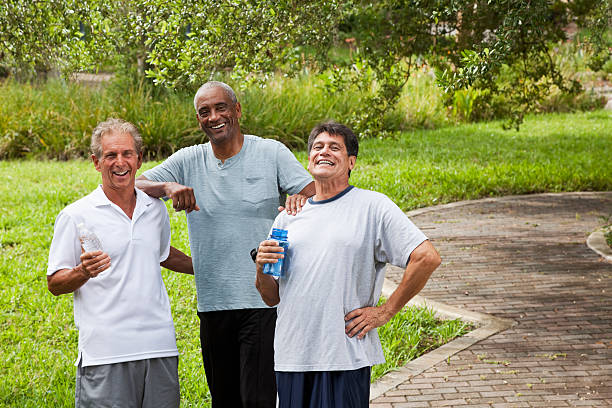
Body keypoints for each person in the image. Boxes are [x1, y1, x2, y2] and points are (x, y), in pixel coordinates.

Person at [135, 81, 315, 407]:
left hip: (263, 302)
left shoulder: (270, 152)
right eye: (204, 112)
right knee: (225, 400)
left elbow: (314, 195)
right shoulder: (189, 160)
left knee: (258, 401)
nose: (213, 117)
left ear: (237, 111)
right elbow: (134, 183)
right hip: (213, 305)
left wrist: (296, 207)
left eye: (220, 108)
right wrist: (169, 186)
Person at [255, 121, 442, 408]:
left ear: (351, 161)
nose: (324, 152)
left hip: (343, 355)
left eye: (334, 147)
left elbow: (426, 257)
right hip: (292, 357)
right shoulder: (288, 218)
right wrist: (260, 267)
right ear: (309, 160)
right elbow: (271, 297)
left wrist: (385, 312)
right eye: (317, 147)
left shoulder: (372, 206)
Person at [47, 118, 193, 408]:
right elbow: (55, 283)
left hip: (159, 347)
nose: (120, 162)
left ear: (139, 159)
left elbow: (161, 254)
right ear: (96, 162)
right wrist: (82, 271)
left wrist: (211, 267)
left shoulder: (154, 209)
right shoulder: (76, 215)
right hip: (106, 353)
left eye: (127, 154)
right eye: (110, 155)